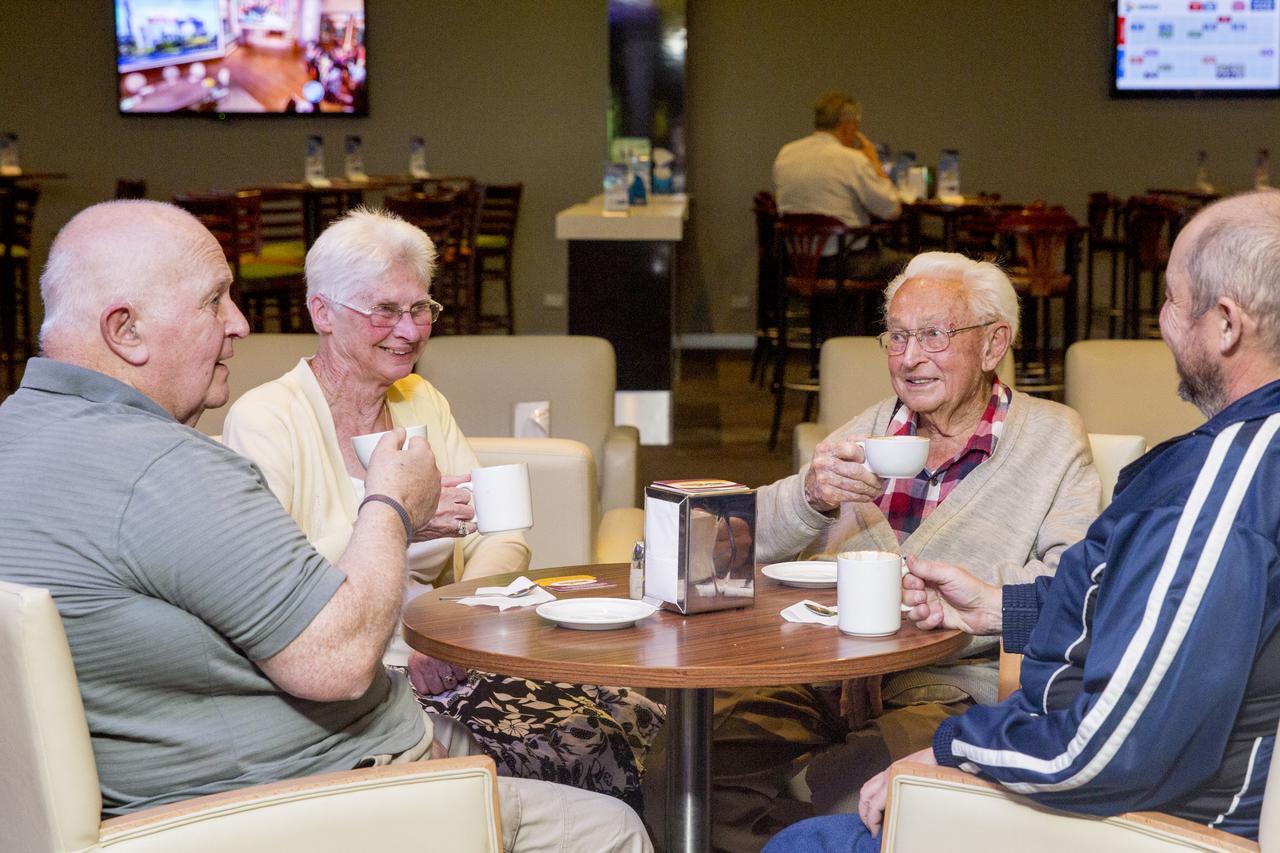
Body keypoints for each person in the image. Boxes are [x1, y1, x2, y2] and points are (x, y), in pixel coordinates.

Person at [0, 199, 650, 853]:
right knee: (613, 826)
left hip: (189, 781)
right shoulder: (169, 467)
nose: (241, 324)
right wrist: (392, 507)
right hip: (288, 797)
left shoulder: (17, 434)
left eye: (419, 308)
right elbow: (337, 662)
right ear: (125, 330)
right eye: (214, 301)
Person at [767, 189, 1280, 851]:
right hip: (1108, 775)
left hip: (1158, 824)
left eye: (1173, 301)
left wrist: (955, 754)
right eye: (897, 335)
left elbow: (1110, 748)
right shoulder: (1237, 467)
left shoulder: (1217, 487)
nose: (1161, 322)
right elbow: (1167, 612)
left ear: (1227, 324)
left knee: (805, 841)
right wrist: (996, 606)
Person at [222, 207, 663, 808]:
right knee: (588, 747)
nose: (409, 330)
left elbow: (500, 531)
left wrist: (448, 627)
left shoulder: (419, 400)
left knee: (639, 709)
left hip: (448, 656)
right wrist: (396, 523)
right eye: (384, 310)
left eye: (420, 309)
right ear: (321, 312)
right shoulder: (267, 419)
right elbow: (281, 594)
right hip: (356, 681)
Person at [703, 253, 1101, 852]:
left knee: (850, 801)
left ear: (993, 346)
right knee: (692, 768)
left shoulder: (1052, 438)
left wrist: (946, 591)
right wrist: (810, 494)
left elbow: (1072, 585)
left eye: (934, 335)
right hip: (823, 671)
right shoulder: (871, 431)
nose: (910, 357)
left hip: (948, 684)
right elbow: (735, 544)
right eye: (897, 336)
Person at [772, 91, 907, 284]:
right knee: (910, 266)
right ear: (847, 125)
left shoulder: (786, 153)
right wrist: (875, 163)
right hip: (846, 263)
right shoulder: (851, 159)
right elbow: (891, 210)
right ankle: (876, 315)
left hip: (797, 262)